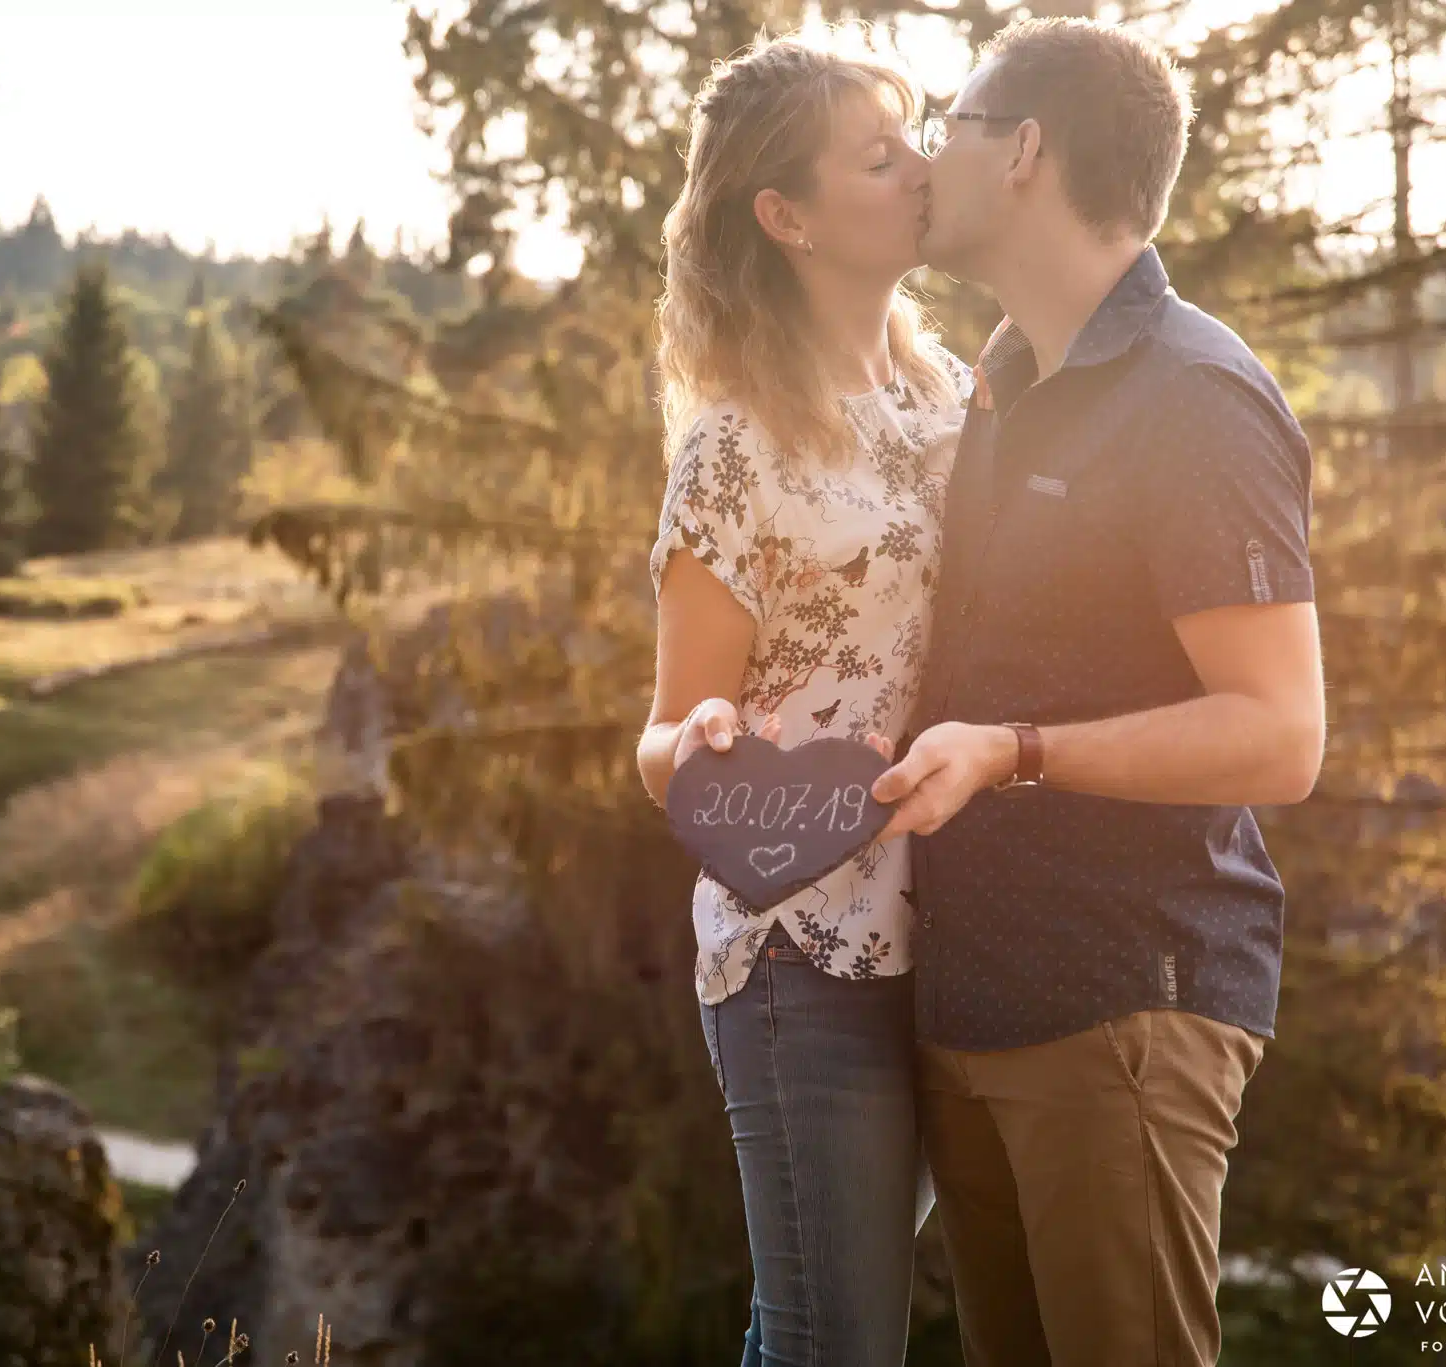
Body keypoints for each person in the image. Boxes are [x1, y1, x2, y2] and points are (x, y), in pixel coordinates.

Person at [860, 17, 1326, 1367]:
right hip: (976, 1009)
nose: (923, 153)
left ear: (1025, 150)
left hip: (1123, 1008)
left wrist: (1014, 751)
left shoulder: (1195, 396)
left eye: (946, 121)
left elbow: (1280, 733)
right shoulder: (993, 386)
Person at [634, 24, 971, 1367]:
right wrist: (698, 742)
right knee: (842, 1345)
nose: (920, 171)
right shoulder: (733, 445)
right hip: (803, 955)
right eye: (878, 158)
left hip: (970, 941)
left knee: (815, 1327)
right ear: (787, 217)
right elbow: (663, 737)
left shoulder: (956, 399)